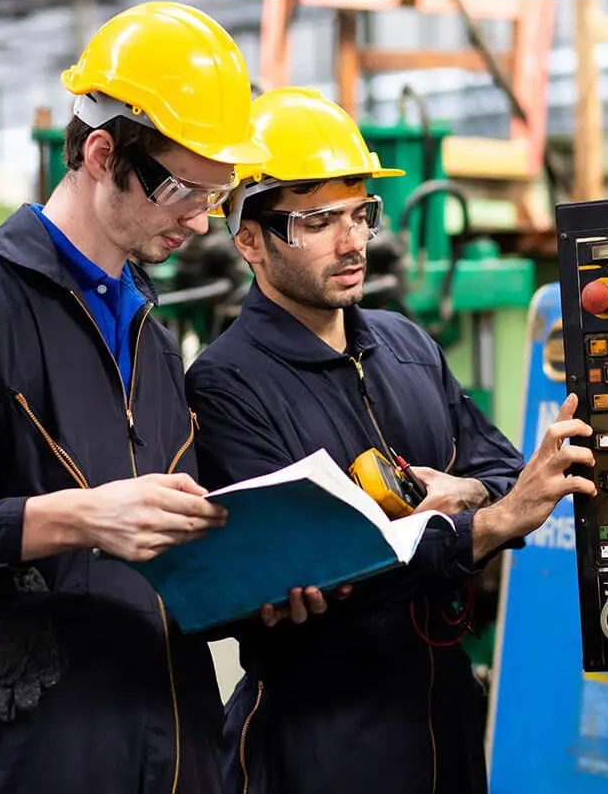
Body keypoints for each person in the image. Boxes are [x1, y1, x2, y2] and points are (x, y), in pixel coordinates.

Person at [0, 3, 268, 794]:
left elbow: (173, 554)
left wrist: (261, 584)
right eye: (181, 189)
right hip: (49, 747)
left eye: (217, 193)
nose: (199, 220)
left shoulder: (156, 342)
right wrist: (73, 516)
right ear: (102, 152)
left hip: (179, 745)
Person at [185, 87, 596, 794]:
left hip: (444, 723)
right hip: (323, 743)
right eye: (315, 221)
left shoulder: (404, 343)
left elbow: (499, 465)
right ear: (247, 237)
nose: (352, 243)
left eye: (360, 214)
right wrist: (487, 521)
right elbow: (319, 570)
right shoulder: (225, 385)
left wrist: (466, 492)